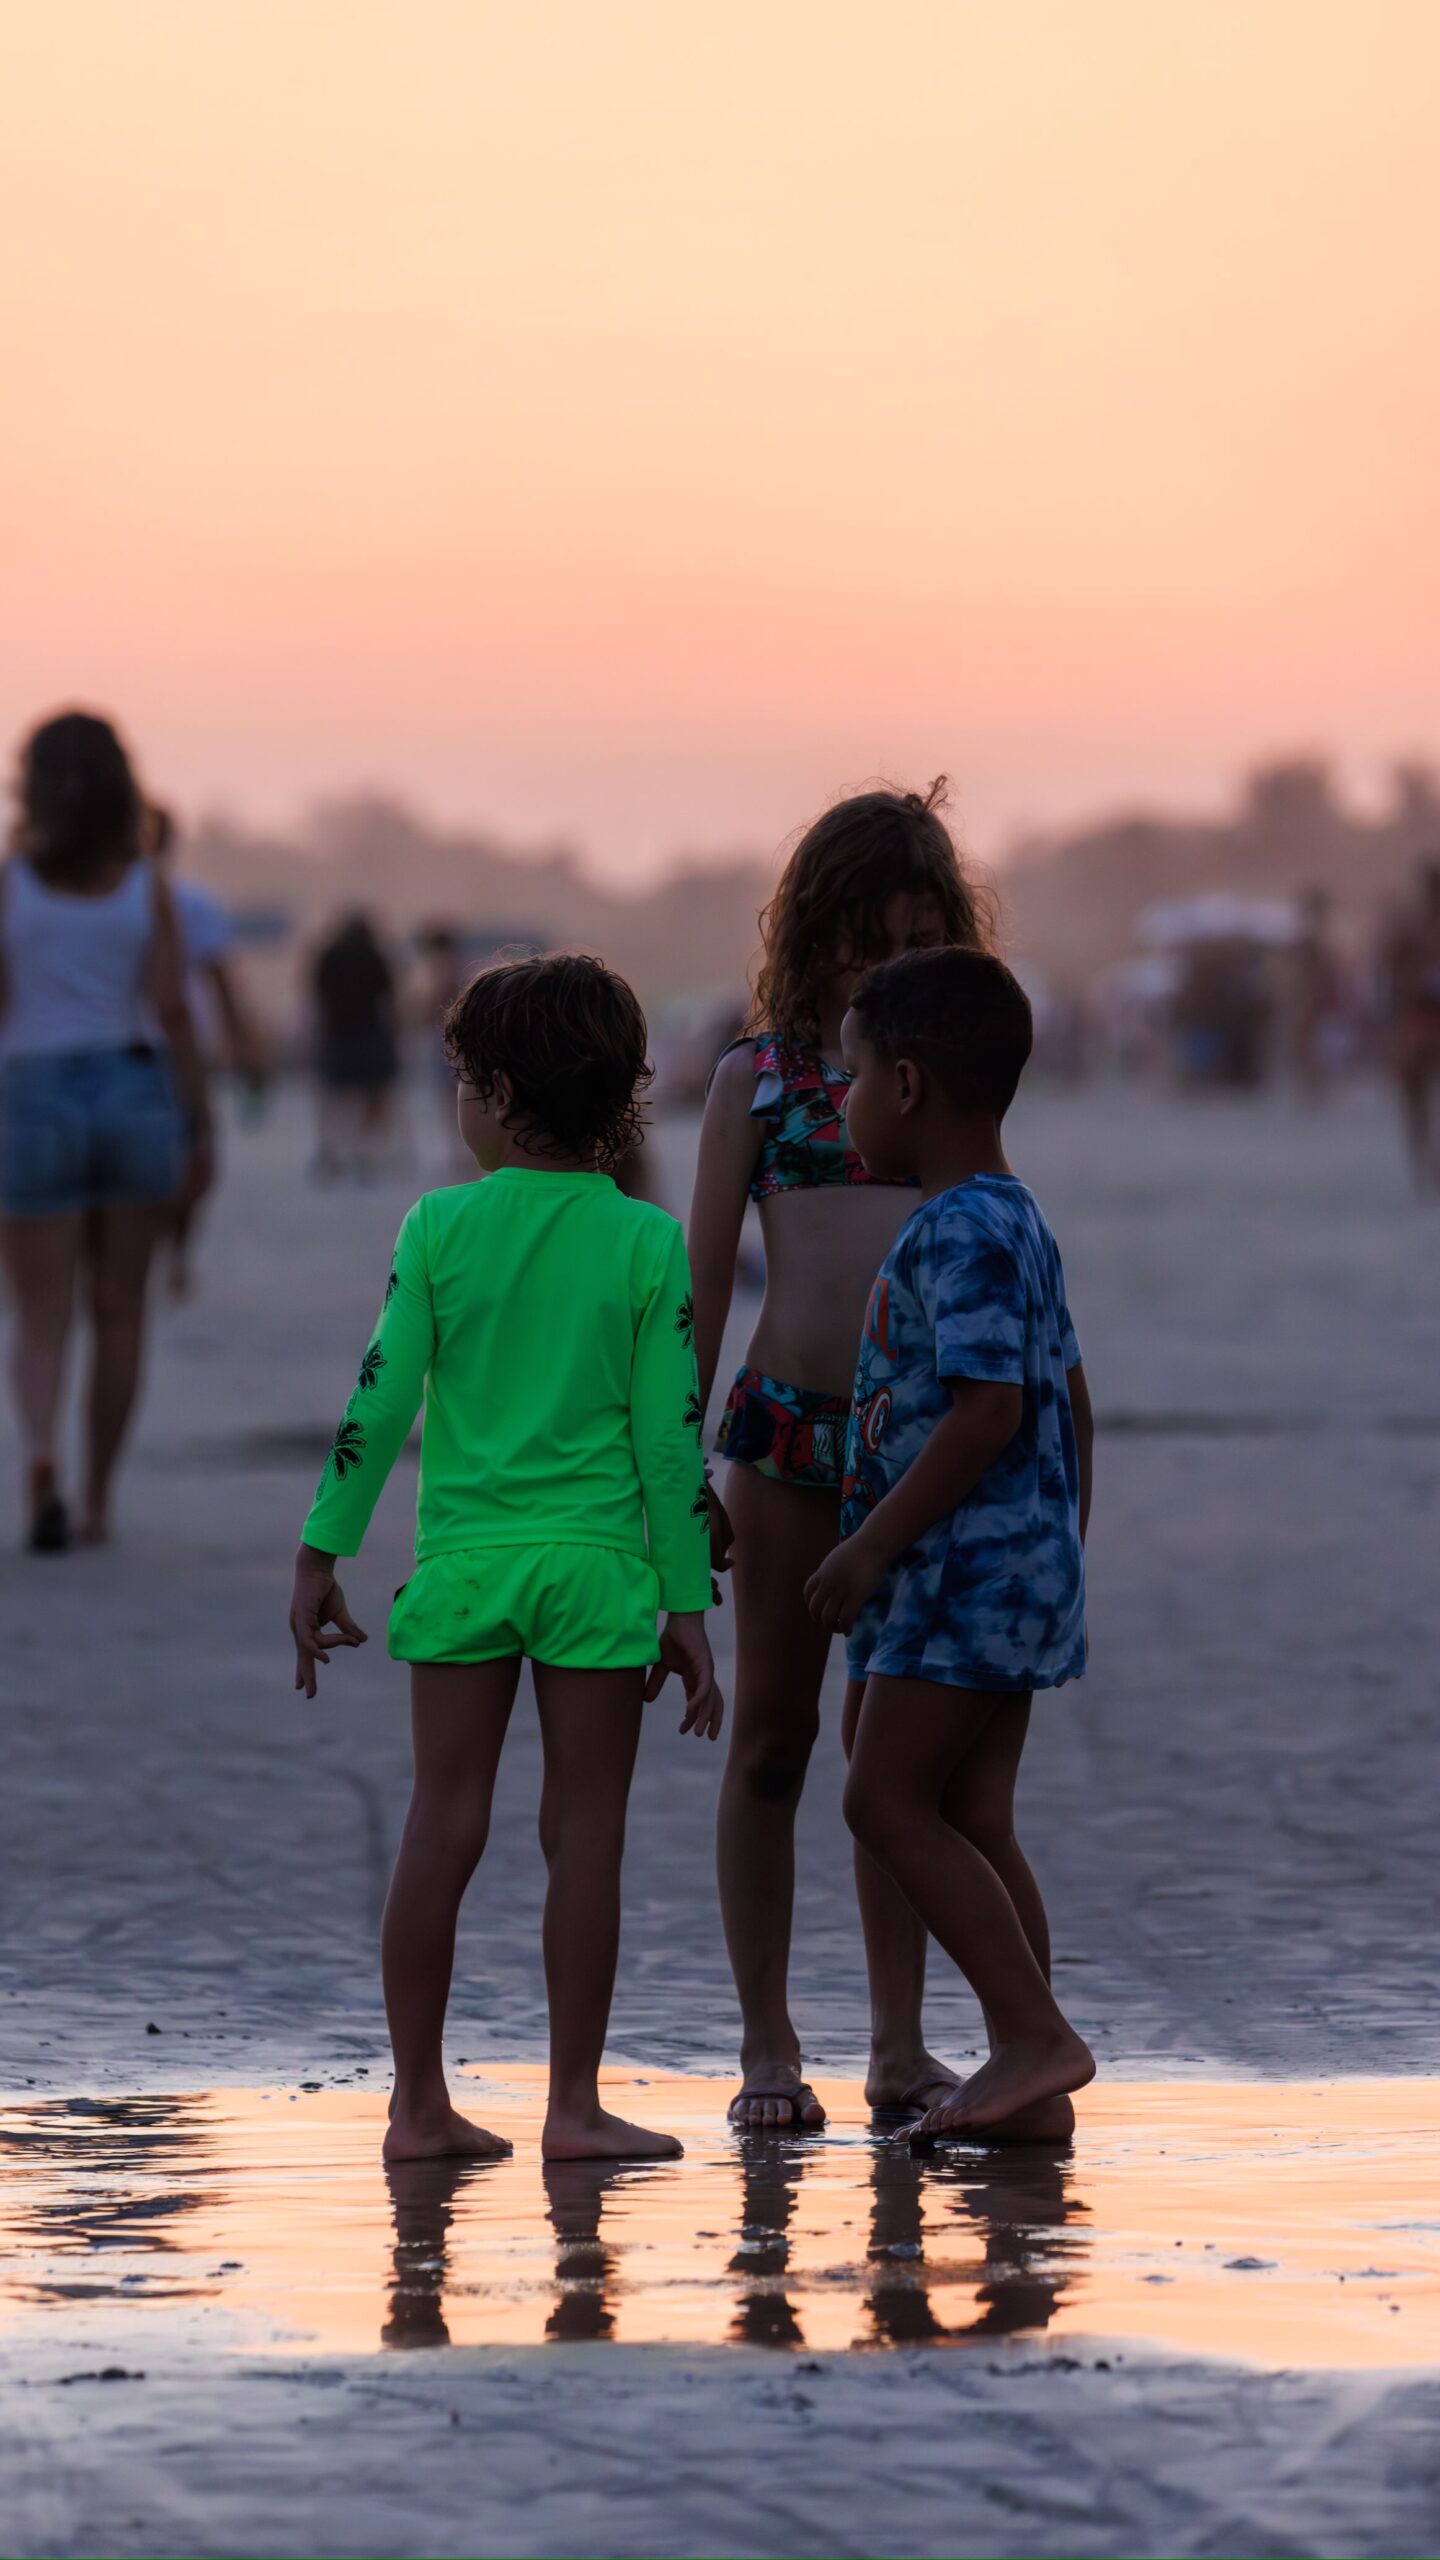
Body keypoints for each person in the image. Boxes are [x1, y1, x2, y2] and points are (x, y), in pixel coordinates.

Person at [288, 952, 722, 2165]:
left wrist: (322, 1549)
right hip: (596, 1572)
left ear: (501, 1093)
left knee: (442, 1822)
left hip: (467, 1567)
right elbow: (670, 1440)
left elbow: (380, 1401)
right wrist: (688, 1603)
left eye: (464, 1081)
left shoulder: (438, 1226)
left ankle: (418, 2106)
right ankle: (573, 2106)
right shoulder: (648, 1242)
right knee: (585, 1833)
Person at [687, 779, 995, 2130]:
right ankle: (767, 2043)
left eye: (919, 943)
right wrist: (673, 1475)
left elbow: (998, 1258)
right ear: (811, 938)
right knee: (773, 1738)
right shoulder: (754, 1082)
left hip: (919, 1455)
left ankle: (898, 2046)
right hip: (784, 1441)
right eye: (865, 944)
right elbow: (702, 1290)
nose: (887, 972)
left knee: (895, 1762)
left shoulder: (946, 1087)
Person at [805, 946, 1095, 2140]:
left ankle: (1034, 2037)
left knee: (882, 1799)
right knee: (971, 1814)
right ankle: (1031, 2079)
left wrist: (872, 1547)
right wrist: (1063, 1553)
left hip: (956, 1576)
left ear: (909, 1084)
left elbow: (992, 1411)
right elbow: (1073, 1400)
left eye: (854, 1075)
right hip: (1004, 1573)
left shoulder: (959, 1229)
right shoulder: (1015, 1216)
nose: (844, 1100)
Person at [0, 711, 212, 1551]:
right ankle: (95, 1501)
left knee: (40, 1310)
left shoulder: (11, 883)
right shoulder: (144, 886)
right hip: (132, 1088)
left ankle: (42, 1457)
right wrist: (197, 1121)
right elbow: (171, 1008)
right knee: (121, 1310)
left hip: (33, 1089)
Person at [144, 802, 268, 1294]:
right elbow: (223, 985)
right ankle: (165, 1245)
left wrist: (241, 1044)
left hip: (179, 1046)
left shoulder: (191, 904)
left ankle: (171, 1245)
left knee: (192, 1155)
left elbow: (220, 981)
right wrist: (244, 1047)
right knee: (189, 1155)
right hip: (165, 1048)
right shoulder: (179, 903)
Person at [309, 911, 401, 1179]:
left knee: (335, 1094)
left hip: (339, 1032)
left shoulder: (331, 957)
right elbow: (389, 999)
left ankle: (333, 1149)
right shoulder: (374, 956)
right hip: (367, 1031)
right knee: (372, 1093)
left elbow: (317, 998)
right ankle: (361, 1148)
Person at [1378, 859, 1440, 1190]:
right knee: (1416, 1102)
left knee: (1418, 1104)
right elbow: (1389, 970)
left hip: (1418, 1024)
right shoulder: (1410, 927)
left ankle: (1427, 1162)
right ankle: (1424, 1162)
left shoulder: (1411, 926)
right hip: (1417, 1021)